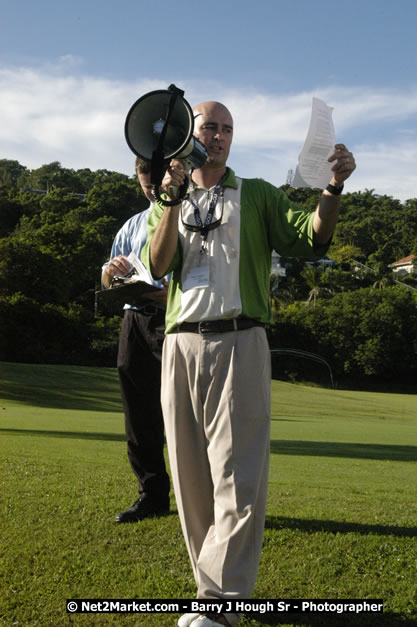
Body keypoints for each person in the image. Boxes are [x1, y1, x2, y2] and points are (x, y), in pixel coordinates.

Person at [141, 101, 356, 627]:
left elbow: (313, 236)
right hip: (180, 345)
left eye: (227, 129)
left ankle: (222, 602)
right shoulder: (167, 198)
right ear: (188, 135)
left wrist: (332, 189)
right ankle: (209, 589)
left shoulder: (256, 193)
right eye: (209, 127)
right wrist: (170, 197)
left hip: (239, 338)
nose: (218, 136)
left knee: (238, 474)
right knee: (189, 475)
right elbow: (157, 263)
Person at [101, 158, 170, 523]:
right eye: (147, 179)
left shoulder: (186, 216)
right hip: (135, 320)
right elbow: (107, 275)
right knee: (139, 411)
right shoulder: (132, 225)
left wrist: (169, 294)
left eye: (159, 178)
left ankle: (202, 497)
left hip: (176, 319)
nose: (154, 185)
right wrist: (110, 274)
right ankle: (152, 495)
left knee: (184, 413)